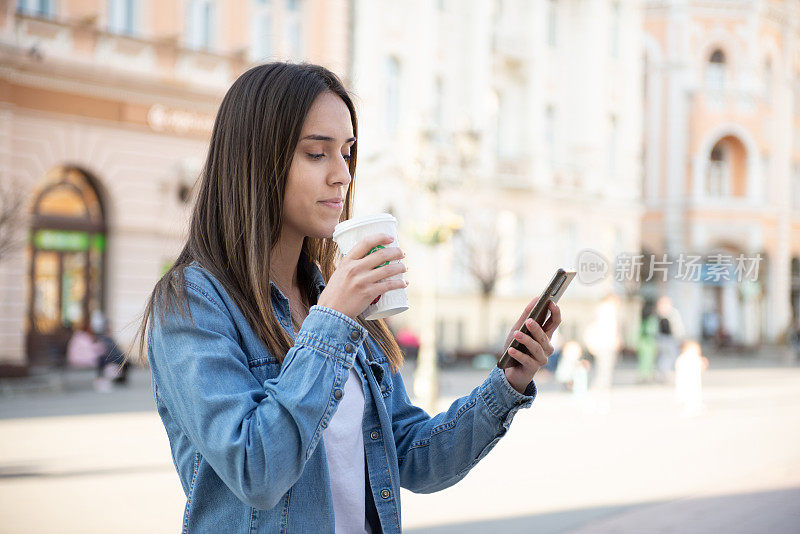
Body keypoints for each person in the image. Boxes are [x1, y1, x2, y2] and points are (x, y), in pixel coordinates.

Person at [132, 62, 562, 534]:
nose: (342, 175)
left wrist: (507, 384)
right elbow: (256, 469)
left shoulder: (336, 297)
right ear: (257, 162)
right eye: (317, 153)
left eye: (347, 153)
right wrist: (332, 320)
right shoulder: (194, 303)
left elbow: (413, 456)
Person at [655, 295, 685, 384]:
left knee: (667, 357)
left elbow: (678, 327)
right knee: (667, 357)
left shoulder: (663, 314)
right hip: (666, 339)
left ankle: (666, 374)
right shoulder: (671, 313)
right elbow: (678, 327)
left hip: (667, 339)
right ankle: (665, 374)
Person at [636, 301, 658, 384]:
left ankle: (643, 375)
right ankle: (647, 376)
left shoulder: (642, 320)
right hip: (649, 343)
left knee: (643, 360)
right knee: (648, 360)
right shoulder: (651, 320)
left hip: (643, 342)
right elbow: (653, 331)